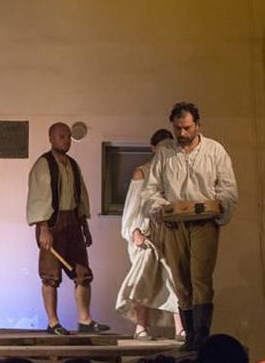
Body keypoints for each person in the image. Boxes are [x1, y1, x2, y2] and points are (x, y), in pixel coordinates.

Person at [141, 102, 239, 351]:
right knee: (180, 281)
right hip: (174, 226)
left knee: (201, 279)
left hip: (203, 223)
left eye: (186, 128)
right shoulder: (165, 151)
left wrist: (217, 207)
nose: (182, 134)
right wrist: (163, 208)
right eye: (177, 128)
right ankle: (190, 334)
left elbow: (228, 190)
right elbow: (150, 190)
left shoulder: (214, 151)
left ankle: (202, 336)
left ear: (197, 125)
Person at [25, 122, 109, 335]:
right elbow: (38, 197)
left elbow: (80, 195)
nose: (66, 140)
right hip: (52, 223)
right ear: (51, 139)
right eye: (62, 137)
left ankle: (85, 320)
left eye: (69, 137)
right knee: (50, 274)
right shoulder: (43, 164)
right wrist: (43, 228)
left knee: (82, 272)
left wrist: (84, 225)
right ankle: (53, 322)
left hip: (72, 221)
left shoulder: (72, 164)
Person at [115, 128, 184, 341]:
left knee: (175, 279)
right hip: (146, 234)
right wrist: (133, 231)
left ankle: (181, 328)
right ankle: (140, 327)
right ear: (153, 149)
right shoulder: (143, 172)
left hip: (169, 232)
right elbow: (132, 207)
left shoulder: (175, 174)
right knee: (143, 279)